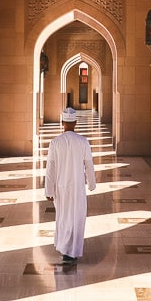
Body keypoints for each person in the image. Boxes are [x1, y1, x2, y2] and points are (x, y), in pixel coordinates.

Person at [44, 107, 97, 262]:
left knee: (63, 217)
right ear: (75, 123)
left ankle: (64, 248)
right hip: (77, 188)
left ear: (62, 123)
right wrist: (91, 184)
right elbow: (89, 164)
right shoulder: (83, 141)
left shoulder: (55, 143)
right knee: (77, 217)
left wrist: (49, 189)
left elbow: (50, 168)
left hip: (60, 188)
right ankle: (71, 250)